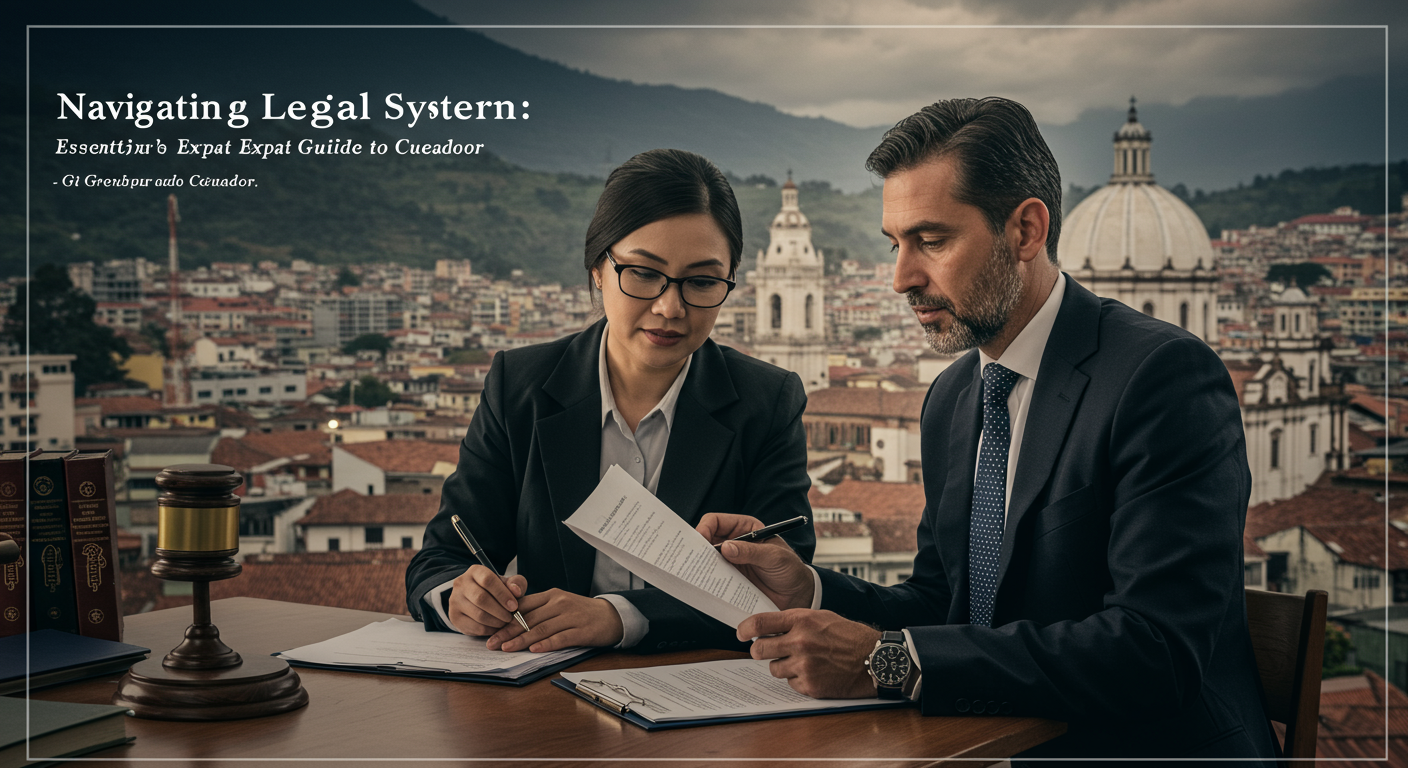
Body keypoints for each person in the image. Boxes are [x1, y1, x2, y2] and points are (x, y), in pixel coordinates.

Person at [698, 98, 1277, 764]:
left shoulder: (1162, 379)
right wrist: (811, 589)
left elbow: (1154, 651)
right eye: (895, 244)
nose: (900, 279)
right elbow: (945, 601)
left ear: (1025, 231)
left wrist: (886, 662)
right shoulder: (954, 396)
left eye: (932, 241)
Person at [406, 148, 815, 655]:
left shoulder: (767, 402)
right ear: (598, 269)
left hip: (697, 697)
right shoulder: (519, 385)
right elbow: (440, 558)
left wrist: (620, 617)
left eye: (702, 282)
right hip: (539, 693)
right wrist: (458, 597)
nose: (670, 307)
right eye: (643, 273)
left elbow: (782, 582)